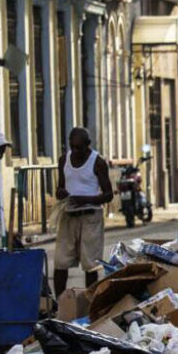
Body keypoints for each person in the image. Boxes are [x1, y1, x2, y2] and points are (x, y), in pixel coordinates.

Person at [54, 128, 113, 298]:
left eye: (80, 147)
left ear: (88, 145)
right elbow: (60, 186)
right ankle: (60, 304)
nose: (76, 151)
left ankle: (89, 303)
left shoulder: (98, 162)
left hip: (90, 216)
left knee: (90, 265)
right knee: (60, 262)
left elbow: (108, 195)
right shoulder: (64, 160)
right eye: (73, 147)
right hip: (69, 215)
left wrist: (86, 199)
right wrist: (61, 193)